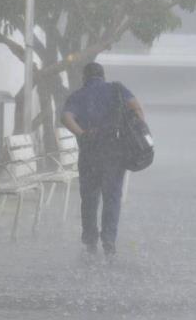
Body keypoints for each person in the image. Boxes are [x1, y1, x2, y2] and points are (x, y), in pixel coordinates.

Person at [61, 62, 145, 259]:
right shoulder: (116, 89)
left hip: (89, 155)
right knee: (112, 198)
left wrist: (82, 134)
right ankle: (108, 241)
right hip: (115, 154)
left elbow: (66, 117)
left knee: (89, 198)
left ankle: (90, 241)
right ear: (103, 76)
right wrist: (138, 131)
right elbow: (137, 108)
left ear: (84, 78)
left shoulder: (78, 95)